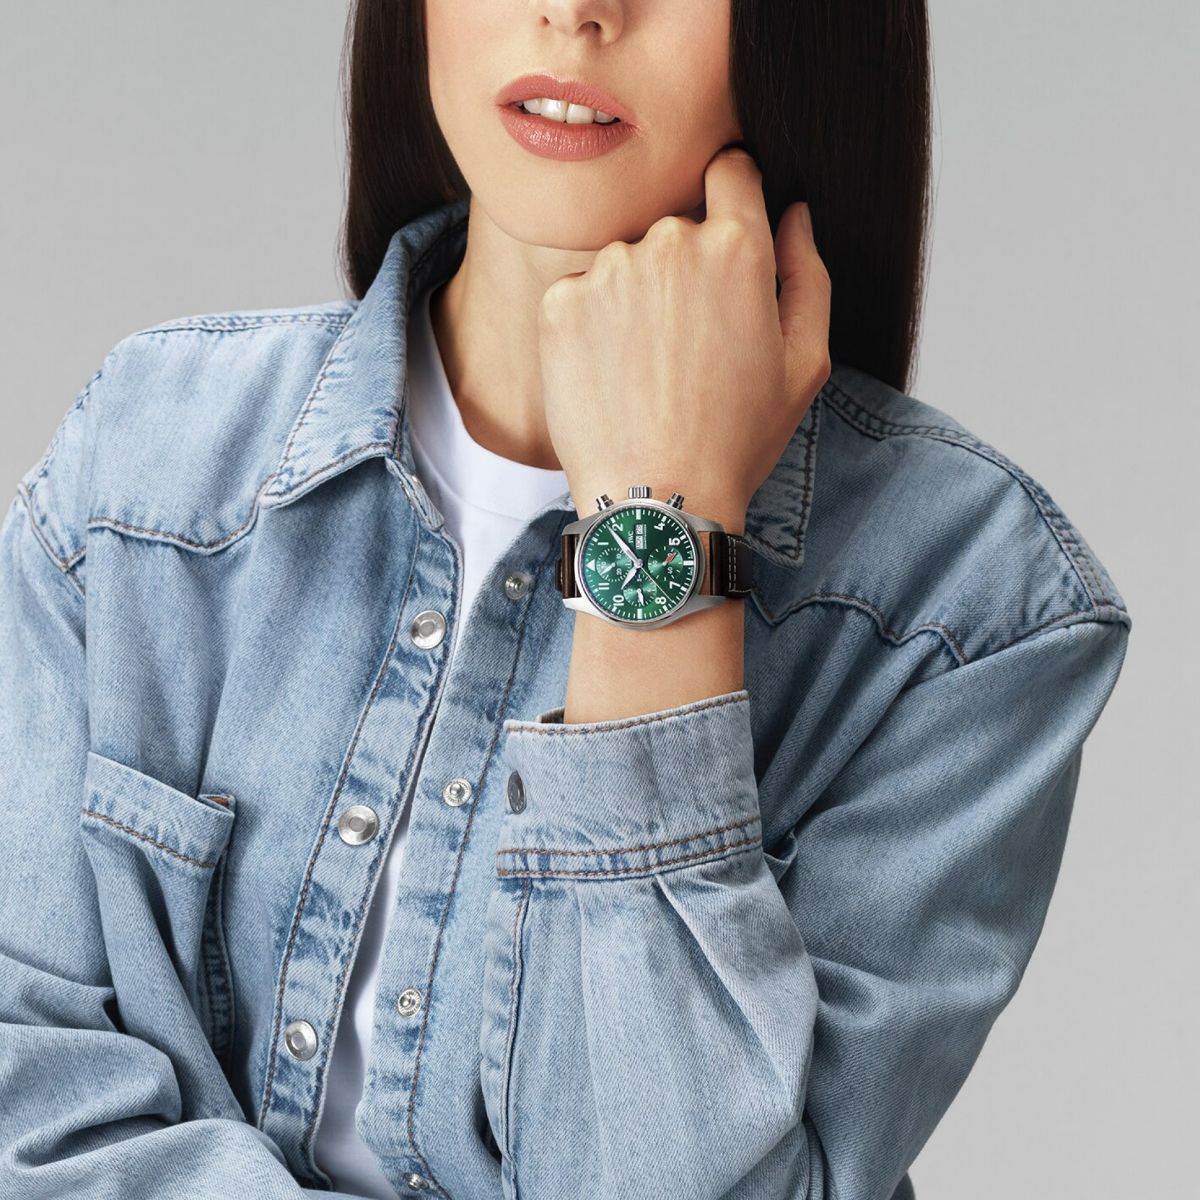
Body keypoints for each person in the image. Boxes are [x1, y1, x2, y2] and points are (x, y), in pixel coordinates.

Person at [0, 1, 1129, 1198]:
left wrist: (664, 532)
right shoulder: (147, 460)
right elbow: (30, 1105)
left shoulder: (968, 613)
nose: (577, 8)